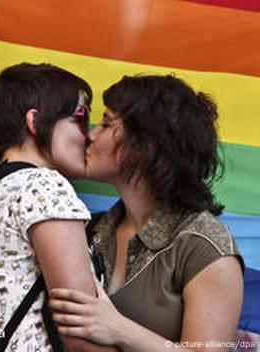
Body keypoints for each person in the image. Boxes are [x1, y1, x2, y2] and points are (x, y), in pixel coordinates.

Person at [49, 74, 244, 351]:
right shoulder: (90, 230)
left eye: (106, 123)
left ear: (146, 144)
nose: (90, 134)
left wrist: (120, 330)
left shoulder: (203, 246)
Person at [0, 62, 115, 352]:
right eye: (80, 119)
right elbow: (80, 331)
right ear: (35, 122)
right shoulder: (43, 187)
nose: (89, 135)